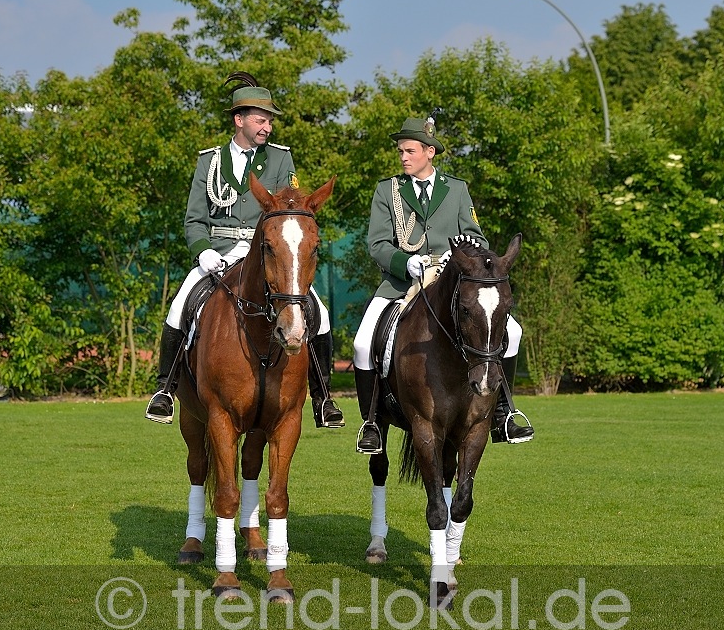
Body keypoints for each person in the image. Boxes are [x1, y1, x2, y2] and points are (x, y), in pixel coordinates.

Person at [145, 72, 344, 429]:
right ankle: (165, 389)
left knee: (321, 313)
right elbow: (194, 219)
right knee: (179, 307)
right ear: (239, 120)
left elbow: (290, 207)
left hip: (267, 254)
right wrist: (203, 251)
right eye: (261, 120)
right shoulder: (209, 162)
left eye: (270, 121)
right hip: (219, 252)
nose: (268, 127)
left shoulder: (280, 160)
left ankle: (323, 397)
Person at [353, 114, 534, 454]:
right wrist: (404, 262)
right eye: (400, 151)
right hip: (402, 282)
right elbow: (377, 244)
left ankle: (502, 413)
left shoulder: (457, 189)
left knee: (514, 332)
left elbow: (477, 237)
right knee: (363, 344)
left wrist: (467, 249)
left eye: (410, 151)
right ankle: (372, 421)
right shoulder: (387, 190)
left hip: (452, 281)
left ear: (430, 151)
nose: (403, 157)